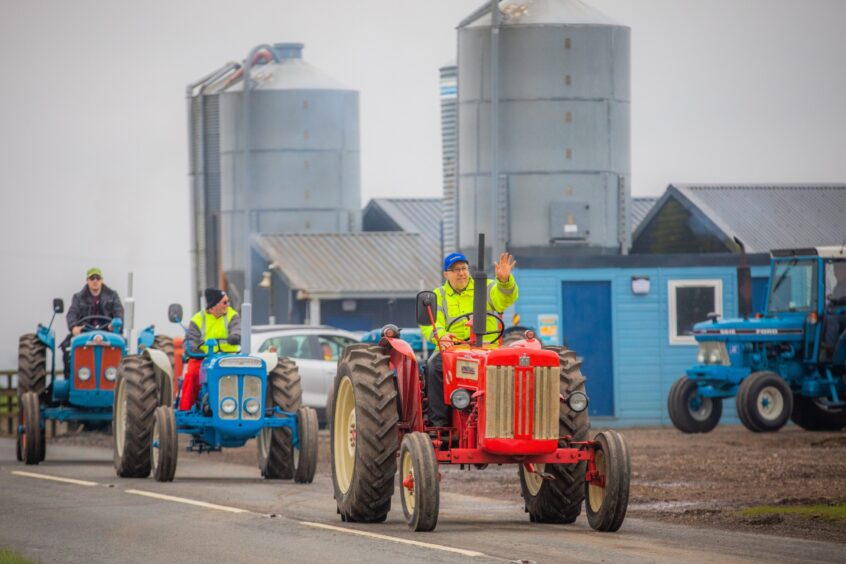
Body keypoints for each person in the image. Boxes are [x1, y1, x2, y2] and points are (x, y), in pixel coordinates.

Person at [420, 251, 518, 427]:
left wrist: (504, 281)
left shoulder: (487, 287)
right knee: (434, 367)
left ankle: (510, 419)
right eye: (455, 269)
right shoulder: (437, 296)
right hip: (452, 348)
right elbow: (431, 323)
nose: (461, 273)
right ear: (446, 274)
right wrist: (442, 336)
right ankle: (439, 426)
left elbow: (504, 299)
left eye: (464, 268)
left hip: (487, 347)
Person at [179, 288, 241, 411]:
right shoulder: (197, 319)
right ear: (213, 306)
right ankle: (185, 410)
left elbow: (237, 330)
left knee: (245, 375)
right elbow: (190, 340)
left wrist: (235, 337)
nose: (228, 305)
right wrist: (194, 350)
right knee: (191, 375)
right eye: (224, 302)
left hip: (229, 359)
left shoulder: (232, 315)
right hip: (203, 359)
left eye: (228, 301)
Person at [62, 267, 124, 375]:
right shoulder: (78, 297)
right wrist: (74, 327)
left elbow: (119, 313)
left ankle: (117, 379)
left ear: (102, 280)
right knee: (67, 348)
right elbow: (72, 314)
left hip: (108, 332)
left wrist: (114, 324)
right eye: (92, 278)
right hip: (85, 331)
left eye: (97, 278)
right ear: (87, 281)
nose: (95, 281)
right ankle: (71, 379)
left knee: (123, 347)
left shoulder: (112, 296)